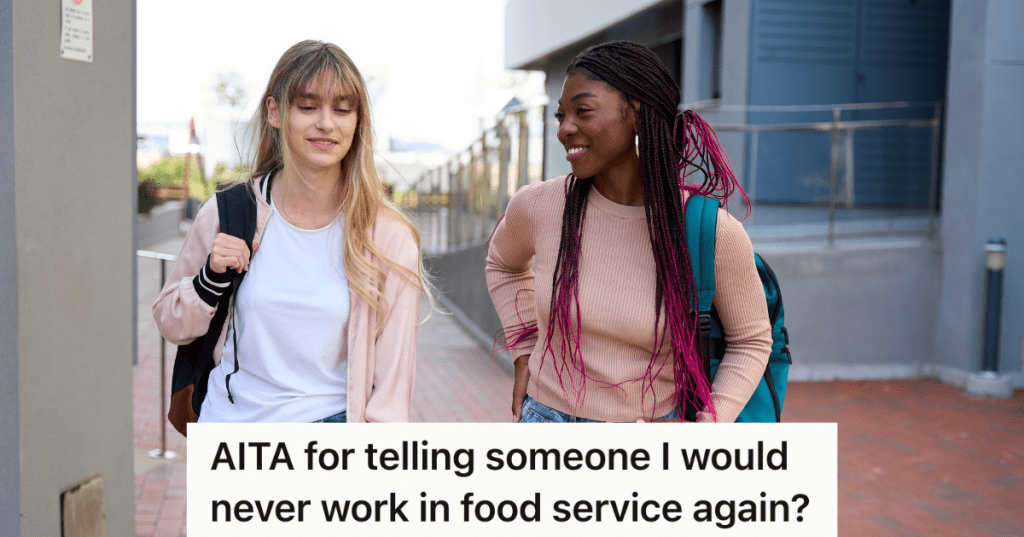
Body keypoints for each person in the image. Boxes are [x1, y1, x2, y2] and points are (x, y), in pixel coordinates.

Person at [486, 41, 772, 424]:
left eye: (582, 111)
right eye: (560, 116)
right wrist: (524, 349)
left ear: (636, 113)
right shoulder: (539, 205)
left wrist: (708, 428)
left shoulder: (709, 230)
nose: (565, 129)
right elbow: (502, 264)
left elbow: (751, 340)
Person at [153, 40, 424, 424]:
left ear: (357, 121)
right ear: (275, 111)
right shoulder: (229, 213)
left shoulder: (387, 238)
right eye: (308, 106)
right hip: (231, 438)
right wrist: (210, 280)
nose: (326, 123)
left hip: (328, 449)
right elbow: (170, 322)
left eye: (342, 109)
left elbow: (391, 391)